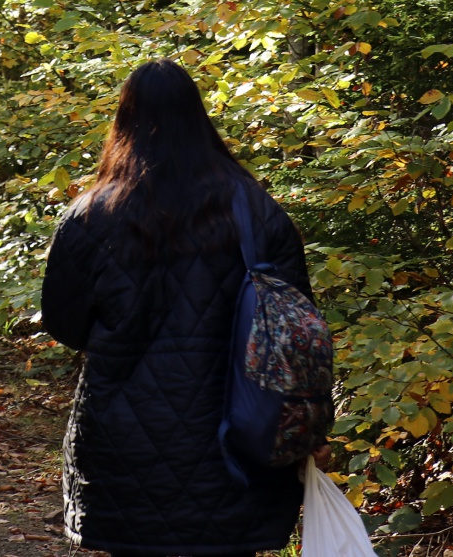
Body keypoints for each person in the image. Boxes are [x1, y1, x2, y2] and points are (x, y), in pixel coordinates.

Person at [40, 60, 319, 556]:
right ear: (198, 117)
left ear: (124, 121)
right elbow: (296, 324)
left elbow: (65, 323)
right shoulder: (256, 210)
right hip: (238, 436)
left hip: (126, 440)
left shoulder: (90, 216)